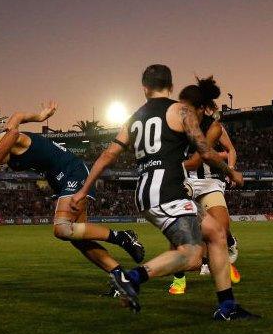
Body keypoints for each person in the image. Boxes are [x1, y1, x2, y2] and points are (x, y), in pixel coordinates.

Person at [72, 65, 256, 320]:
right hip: (169, 191)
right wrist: (231, 171)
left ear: (144, 88)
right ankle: (131, 277)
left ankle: (227, 306)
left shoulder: (134, 117)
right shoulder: (181, 111)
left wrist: (83, 190)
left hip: (147, 193)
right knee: (191, 255)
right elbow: (204, 151)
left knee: (216, 233)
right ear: (171, 86)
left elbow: (108, 155)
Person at [0, 103, 146, 283]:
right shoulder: (2, 142)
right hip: (59, 180)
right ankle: (121, 277)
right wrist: (40, 117)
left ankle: (122, 236)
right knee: (78, 238)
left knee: (62, 229)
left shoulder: (7, 137)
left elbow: (14, 132)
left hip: (72, 171)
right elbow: (17, 116)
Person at [169, 76, 242, 294]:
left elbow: (196, 160)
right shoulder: (176, 123)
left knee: (221, 228)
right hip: (184, 180)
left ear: (201, 109)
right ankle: (179, 279)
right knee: (179, 230)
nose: (181, 112)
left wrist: (230, 170)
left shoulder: (214, 128)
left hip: (209, 182)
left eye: (186, 108)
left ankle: (223, 254)